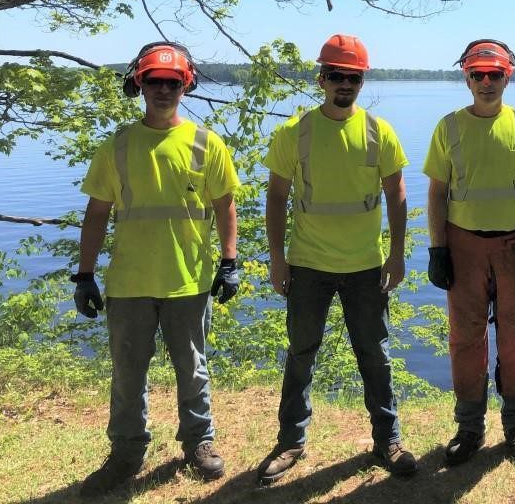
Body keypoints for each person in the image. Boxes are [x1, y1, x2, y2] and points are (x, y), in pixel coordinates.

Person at [71, 42, 241, 497]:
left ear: (186, 84)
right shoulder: (119, 146)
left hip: (188, 281)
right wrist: (84, 275)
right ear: (139, 83)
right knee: (128, 373)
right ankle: (126, 452)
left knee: (193, 368)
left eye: (173, 82)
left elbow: (225, 205)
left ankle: (198, 443)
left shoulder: (207, 144)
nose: (163, 90)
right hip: (129, 283)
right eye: (154, 81)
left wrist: (229, 262)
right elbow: (96, 212)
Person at [255, 34, 416, 485]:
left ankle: (388, 440)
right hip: (308, 265)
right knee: (301, 355)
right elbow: (276, 197)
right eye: (337, 76)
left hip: (366, 266)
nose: (345, 84)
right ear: (321, 78)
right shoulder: (295, 132)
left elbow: (396, 194)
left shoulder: (378, 132)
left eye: (354, 77)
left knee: (375, 356)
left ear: (361, 81)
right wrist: (277, 259)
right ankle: (290, 442)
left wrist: (397, 254)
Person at [423, 39, 515, 466]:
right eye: (477, 74)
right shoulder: (449, 127)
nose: (485, 82)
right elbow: (437, 193)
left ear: (507, 77)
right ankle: (469, 427)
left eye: (494, 74)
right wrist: (437, 249)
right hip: (463, 245)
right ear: (466, 76)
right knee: (465, 339)